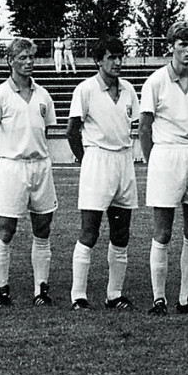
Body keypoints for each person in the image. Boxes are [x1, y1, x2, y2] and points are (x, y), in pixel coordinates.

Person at [138, 22, 188, 316]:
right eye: (183, 45)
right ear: (171, 46)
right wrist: (153, 162)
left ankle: (187, 297)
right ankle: (159, 298)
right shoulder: (155, 81)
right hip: (166, 155)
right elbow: (144, 127)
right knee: (163, 230)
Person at [66, 35, 140, 311]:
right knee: (90, 231)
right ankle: (78, 295)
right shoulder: (85, 90)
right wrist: (86, 159)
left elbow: (131, 124)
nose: (118, 62)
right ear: (99, 61)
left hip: (123, 160)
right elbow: (71, 131)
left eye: (120, 56)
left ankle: (114, 294)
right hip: (97, 159)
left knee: (121, 232)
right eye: (111, 57)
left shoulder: (129, 90)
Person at [0, 37, 57, 307]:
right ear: (10, 61)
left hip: (40, 166)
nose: (28, 63)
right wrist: (5, 158)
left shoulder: (43, 94)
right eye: (23, 58)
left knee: (43, 227)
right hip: (12, 166)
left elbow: (45, 131)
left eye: (31, 57)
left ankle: (41, 290)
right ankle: (2, 290)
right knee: (5, 229)